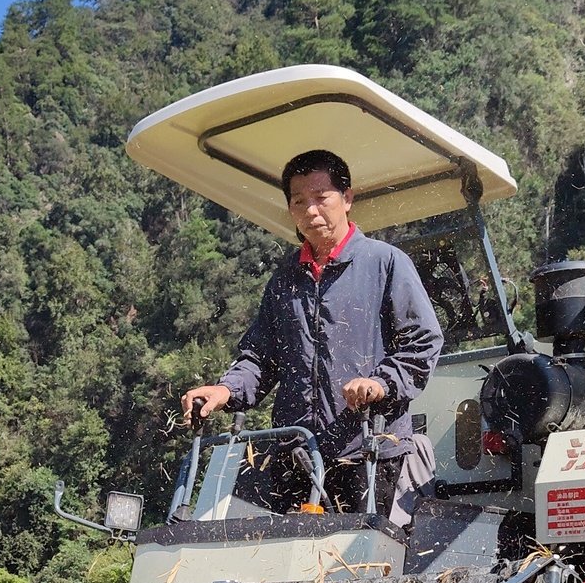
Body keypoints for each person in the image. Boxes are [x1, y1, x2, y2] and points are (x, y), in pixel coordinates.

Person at [181, 149, 442, 527]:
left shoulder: (385, 263)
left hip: (369, 450)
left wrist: (381, 384)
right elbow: (259, 357)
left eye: (322, 197)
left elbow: (423, 343)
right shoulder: (285, 278)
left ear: (347, 198)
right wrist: (226, 390)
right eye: (300, 201)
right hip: (296, 452)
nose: (312, 210)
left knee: (367, 566)